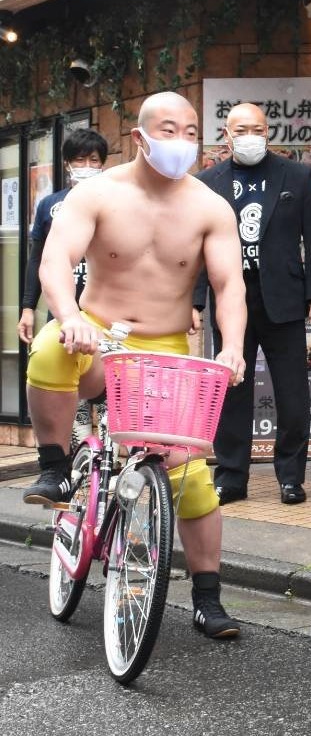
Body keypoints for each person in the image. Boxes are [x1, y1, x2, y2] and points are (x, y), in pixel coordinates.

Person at [22, 91, 249, 638]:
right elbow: (57, 259)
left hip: (167, 348)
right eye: (168, 129)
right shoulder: (98, 194)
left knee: (192, 479)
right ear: (140, 138)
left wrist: (232, 346)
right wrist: (70, 315)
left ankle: (207, 599)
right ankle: (54, 465)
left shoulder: (211, 207)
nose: (181, 141)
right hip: (98, 336)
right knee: (51, 346)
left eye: (191, 130)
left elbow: (228, 285)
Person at [195, 102, 311, 506]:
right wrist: (194, 303)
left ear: (268, 132)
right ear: (226, 134)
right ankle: (231, 477)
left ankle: (291, 476)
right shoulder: (207, 181)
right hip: (229, 298)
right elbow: (198, 245)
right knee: (232, 389)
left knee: (293, 394)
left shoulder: (296, 175)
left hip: (284, 298)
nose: (250, 137)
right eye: (241, 130)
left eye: (257, 129)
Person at [19, 129, 109, 448]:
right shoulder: (50, 205)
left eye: (93, 160)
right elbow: (37, 259)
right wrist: (29, 307)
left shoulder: (116, 203)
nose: (86, 165)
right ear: (68, 164)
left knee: (112, 394)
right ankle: (79, 463)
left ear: (104, 164)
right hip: (64, 314)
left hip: (106, 313)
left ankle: (110, 465)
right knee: (73, 393)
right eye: (79, 159)